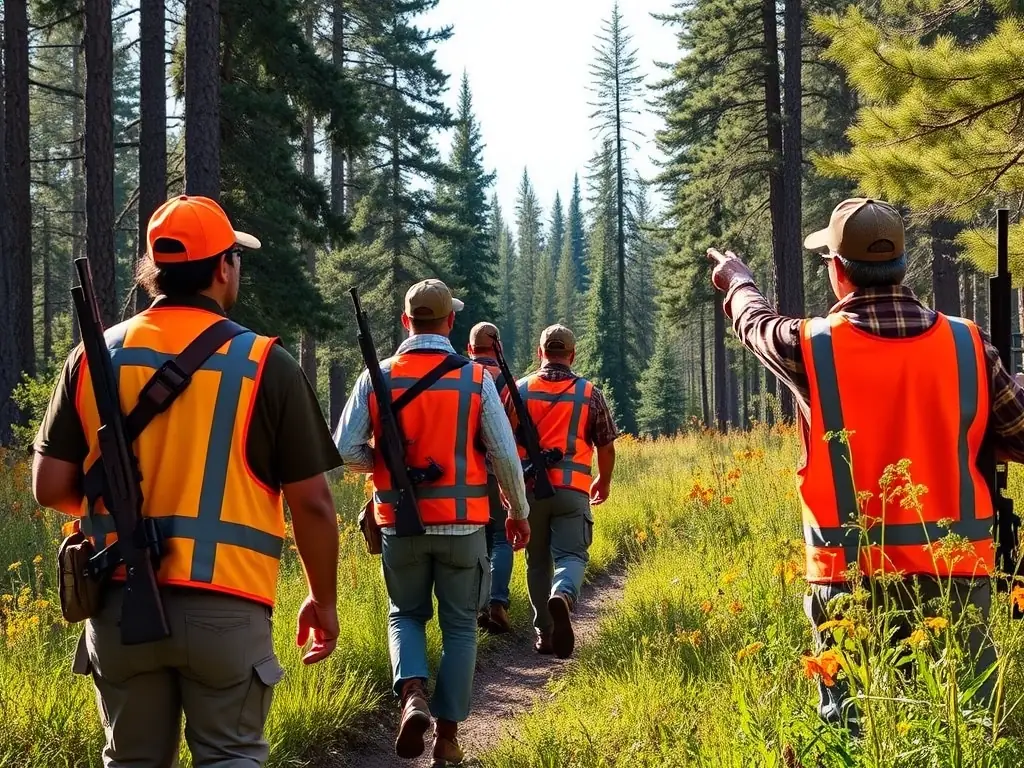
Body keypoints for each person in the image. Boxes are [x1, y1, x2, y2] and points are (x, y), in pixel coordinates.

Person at [31, 195, 342, 767]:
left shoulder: (92, 355)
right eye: (236, 258)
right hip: (228, 608)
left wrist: (115, 507)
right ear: (223, 267)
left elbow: (49, 486)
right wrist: (323, 600)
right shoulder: (265, 364)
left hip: (121, 604)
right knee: (229, 758)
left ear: (157, 269)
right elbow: (315, 507)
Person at [707, 197, 1024, 735]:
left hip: (850, 574)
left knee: (855, 730)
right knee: (965, 727)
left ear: (837, 271)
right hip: (954, 571)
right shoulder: (969, 344)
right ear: (901, 266)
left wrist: (738, 279)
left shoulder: (811, 346)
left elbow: (754, 323)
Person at [335, 280, 531, 767]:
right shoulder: (475, 380)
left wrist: (383, 462)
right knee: (462, 627)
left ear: (406, 322)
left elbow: (343, 449)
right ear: (449, 323)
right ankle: (446, 738)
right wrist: (518, 511)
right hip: (464, 527)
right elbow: (505, 456)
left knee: (405, 614)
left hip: (399, 525)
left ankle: (413, 696)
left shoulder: (375, 377)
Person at [510, 324, 618, 659]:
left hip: (529, 492)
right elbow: (606, 443)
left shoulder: (518, 391)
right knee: (572, 556)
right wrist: (603, 479)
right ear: (571, 355)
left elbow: (500, 446)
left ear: (540, 353)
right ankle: (565, 594)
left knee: (537, 561)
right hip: (572, 490)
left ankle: (544, 633)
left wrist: (508, 494)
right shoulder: (589, 392)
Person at [466, 321, 516, 634]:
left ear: (470, 348)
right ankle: (497, 602)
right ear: (498, 348)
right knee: (501, 537)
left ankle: (475, 609)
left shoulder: (460, 376)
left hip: (466, 473)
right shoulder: (508, 384)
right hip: (497, 471)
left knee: (476, 541)